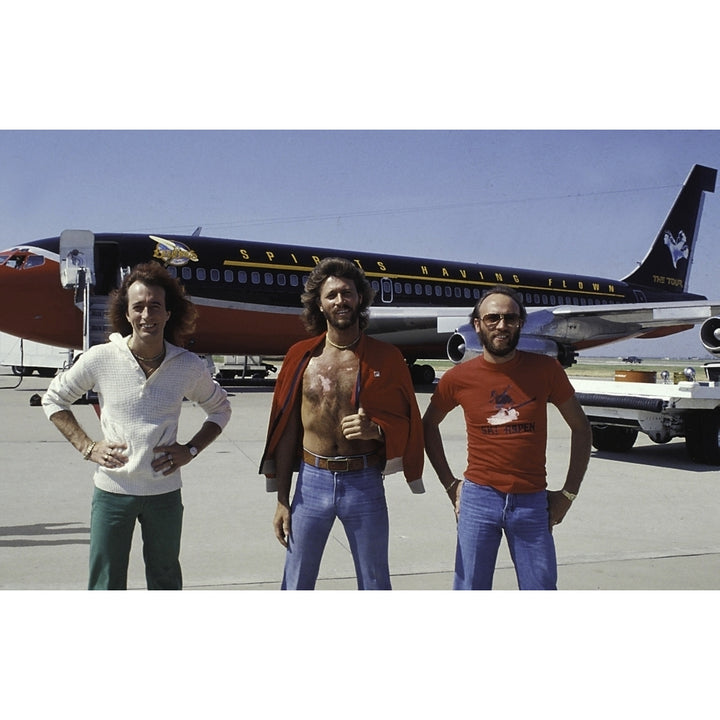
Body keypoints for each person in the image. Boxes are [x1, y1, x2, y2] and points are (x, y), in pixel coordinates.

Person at [42, 261, 232, 590]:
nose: (147, 315)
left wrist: (190, 450)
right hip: (112, 494)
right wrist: (88, 447)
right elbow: (54, 399)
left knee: (165, 582)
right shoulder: (101, 358)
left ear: (168, 313)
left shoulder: (187, 365)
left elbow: (220, 409)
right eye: (138, 307)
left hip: (164, 495)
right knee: (105, 585)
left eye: (155, 306)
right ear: (127, 314)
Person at [260, 257, 424, 590]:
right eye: (331, 295)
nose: (340, 301)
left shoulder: (387, 357)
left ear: (360, 298)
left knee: (375, 580)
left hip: (363, 482)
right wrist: (282, 500)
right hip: (311, 482)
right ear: (318, 304)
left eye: (347, 293)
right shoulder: (301, 357)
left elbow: (409, 421)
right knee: (295, 581)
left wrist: (376, 430)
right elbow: (287, 428)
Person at [422, 285, 591, 590]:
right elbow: (428, 426)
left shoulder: (547, 370)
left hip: (532, 502)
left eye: (510, 318)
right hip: (478, 500)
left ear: (521, 324)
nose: (502, 325)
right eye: (492, 318)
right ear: (477, 325)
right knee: (470, 588)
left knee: (540, 588)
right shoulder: (457, 378)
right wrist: (450, 485)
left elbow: (581, 427)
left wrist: (567, 495)